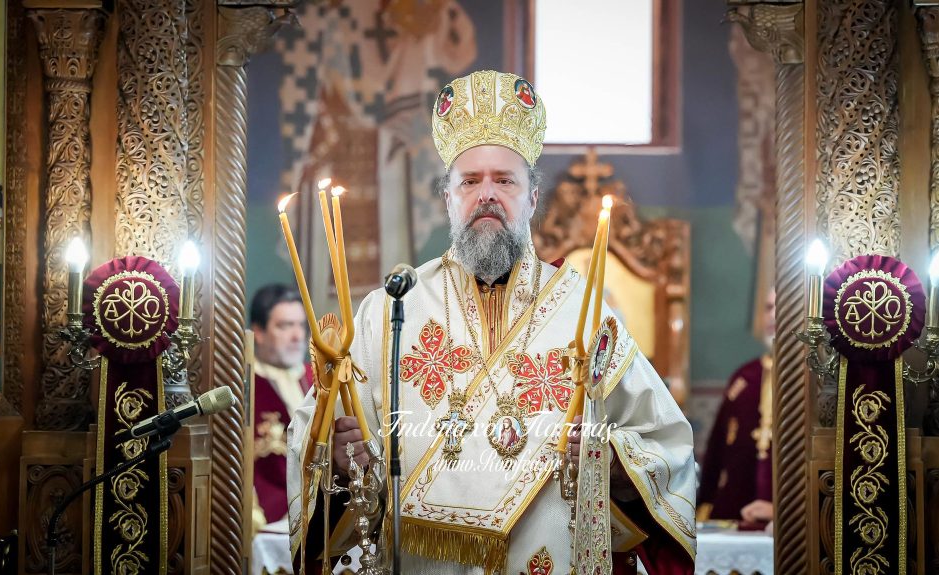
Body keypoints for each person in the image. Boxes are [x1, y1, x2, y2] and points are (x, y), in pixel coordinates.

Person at [287, 70, 696, 574]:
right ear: (448, 198)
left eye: (504, 180)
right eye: (470, 181)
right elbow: (313, 438)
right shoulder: (390, 309)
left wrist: (610, 461)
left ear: (532, 199)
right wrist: (337, 459)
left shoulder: (584, 312)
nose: (487, 194)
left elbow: (667, 447)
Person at [696, 289, 775, 529]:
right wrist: (705, 504)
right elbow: (716, 450)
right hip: (734, 514)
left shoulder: (816, 378)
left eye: (782, 307)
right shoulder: (744, 378)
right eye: (768, 308)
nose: (773, 315)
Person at [250, 283, 314, 531]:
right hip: (270, 521)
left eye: (301, 325)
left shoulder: (318, 378)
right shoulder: (244, 384)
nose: (297, 336)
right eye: (285, 326)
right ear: (259, 332)